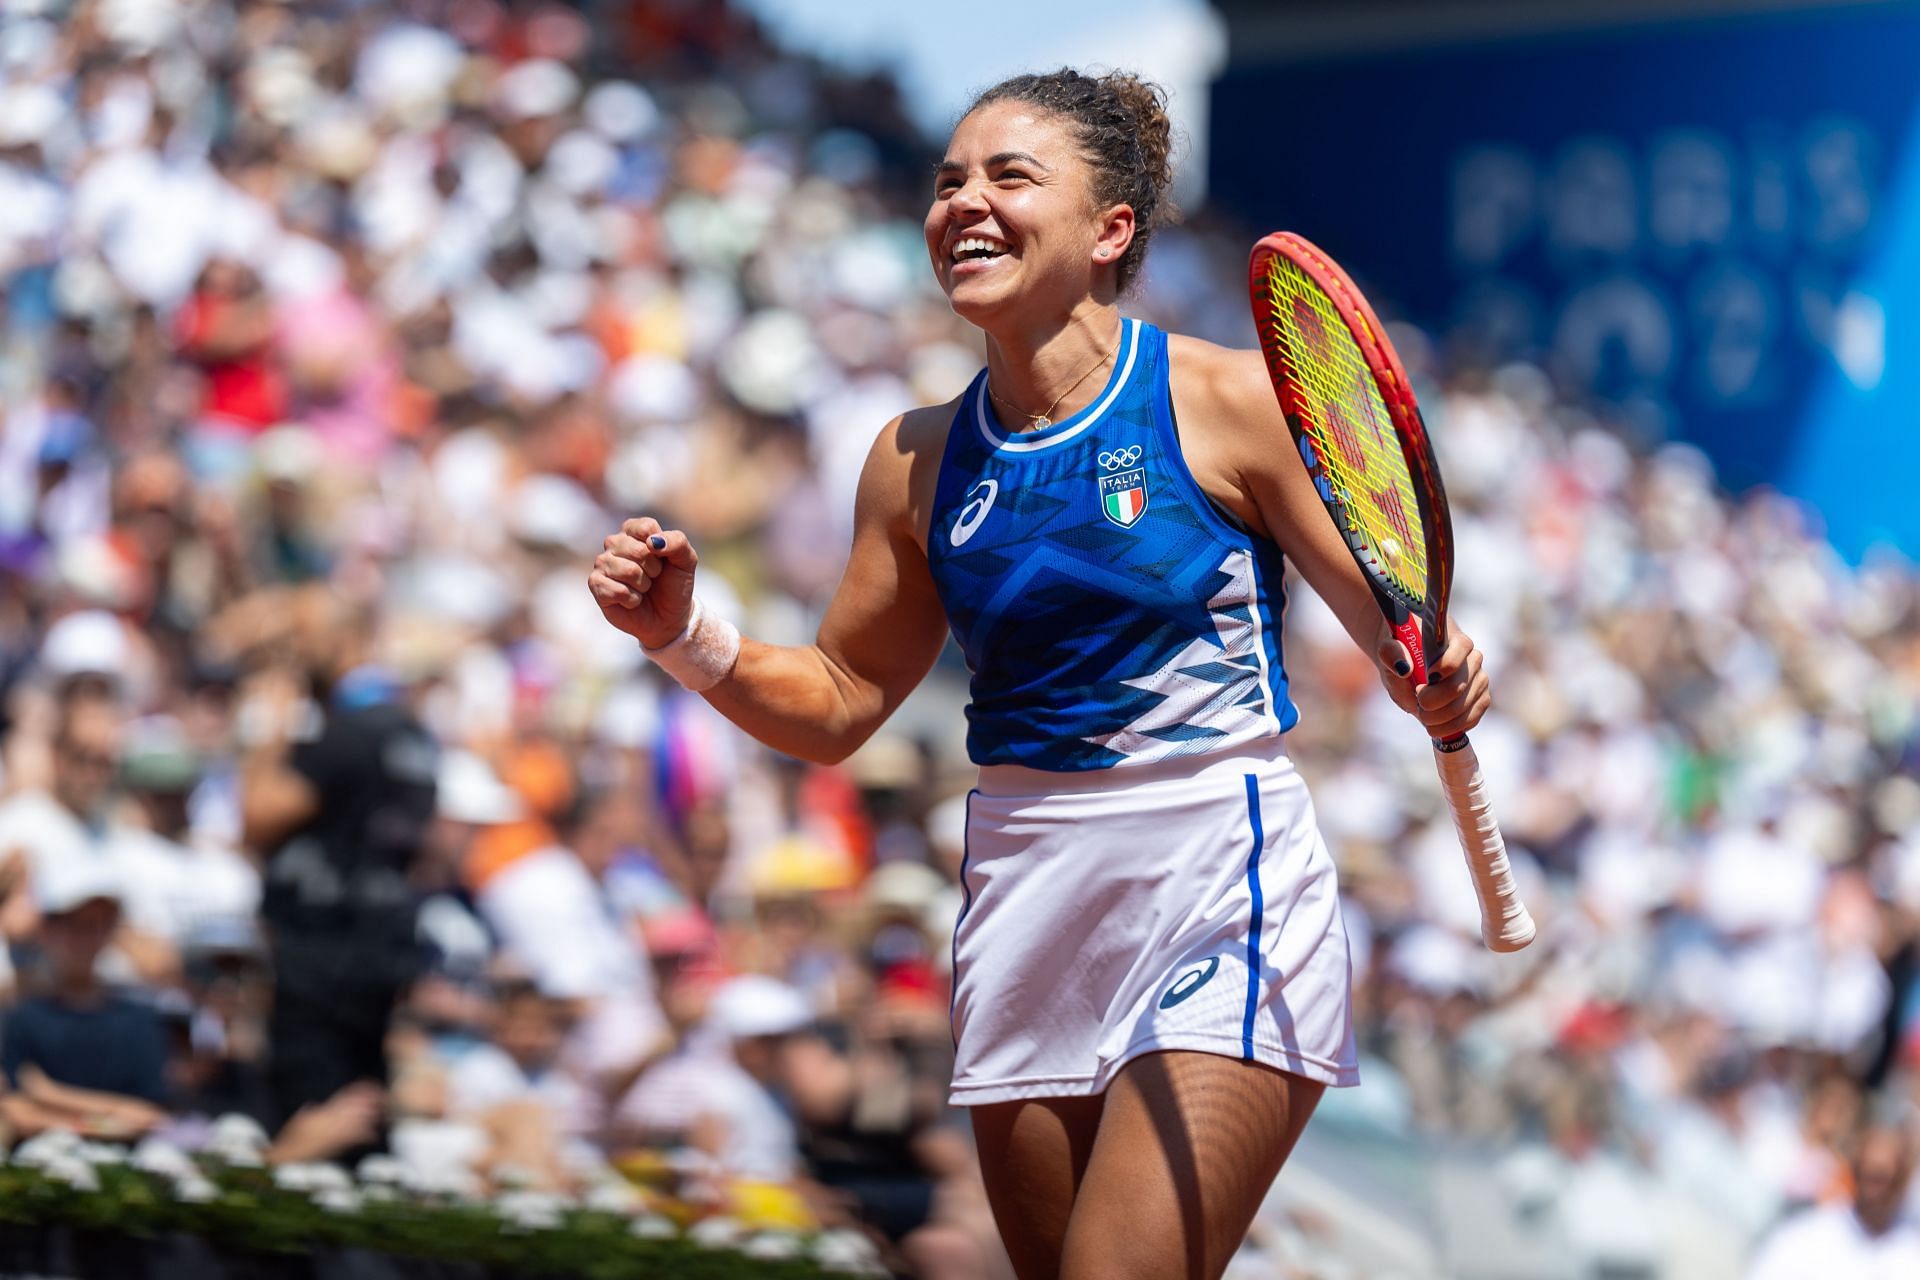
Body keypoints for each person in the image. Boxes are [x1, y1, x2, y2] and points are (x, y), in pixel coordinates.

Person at [589, 67, 1489, 1280]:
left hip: (1221, 875)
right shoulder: (912, 460)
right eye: (950, 177)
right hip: (1023, 897)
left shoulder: (1226, 399)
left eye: (1009, 175)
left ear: (1110, 229)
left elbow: (1400, 633)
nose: (964, 200)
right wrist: (685, 635)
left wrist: (1439, 669)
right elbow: (842, 702)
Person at [1745, 1121, 1920, 1278]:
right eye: (1872, 1178)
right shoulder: (1805, 1237)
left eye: (1891, 1180)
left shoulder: (1911, 1248)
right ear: (1855, 1173)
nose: (1877, 1193)